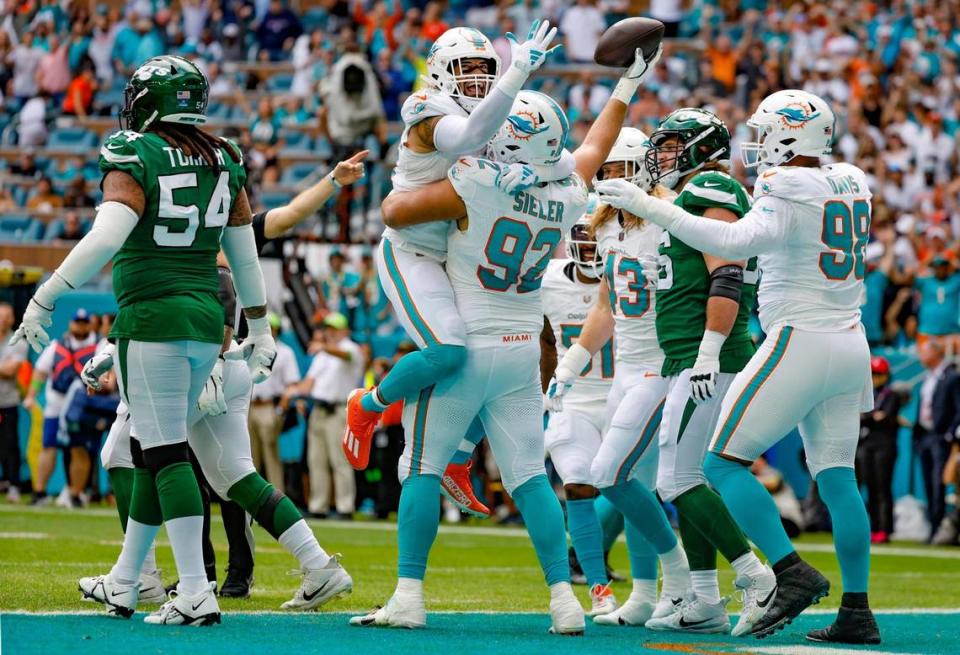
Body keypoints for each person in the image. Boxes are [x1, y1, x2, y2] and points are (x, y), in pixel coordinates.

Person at [354, 42, 656, 631]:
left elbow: (395, 211)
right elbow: (593, 148)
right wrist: (626, 86)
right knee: (529, 482)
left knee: (419, 470)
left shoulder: (477, 181)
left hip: (469, 345)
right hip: (522, 353)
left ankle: (409, 596)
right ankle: (564, 603)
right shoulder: (570, 193)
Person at [597, 89, 881, 644]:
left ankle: (786, 572)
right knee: (839, 478)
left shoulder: (784, 184)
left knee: (720, 464)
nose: (757, 141)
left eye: (766, 129)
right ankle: (857, 610)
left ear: (789, 134)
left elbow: (730, 240)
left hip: (800, 337)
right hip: (851, 340)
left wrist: (648, 203)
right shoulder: (851, 179)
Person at [12, 55, 276, 627]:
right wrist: (261, 320)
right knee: (149, 450)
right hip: (206, 322)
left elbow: (107, 234)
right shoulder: (223, 155)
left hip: (153, 320)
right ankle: (127, 582)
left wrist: (47, 294)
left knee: (162, 455)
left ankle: (194, 591)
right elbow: (243, 252)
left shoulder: (136, 152)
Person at [344, 23, 565, 519]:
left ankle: (459, 459)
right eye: (466, 67)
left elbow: (561, 158)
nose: (477, 77)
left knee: (495, 357)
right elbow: (470, 135)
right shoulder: (426, 109)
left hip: (458, 257)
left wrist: (537, 169)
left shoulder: (497, 108)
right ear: (441, 70)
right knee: (449, 351)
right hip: (413, 251)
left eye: (486, 68)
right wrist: (517, 74)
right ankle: (371, 404)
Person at [81, 268, 351, 612]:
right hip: (225, 360)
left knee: (129, 451)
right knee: (235, 476)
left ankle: (142, 578)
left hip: (191, 362)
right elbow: (229, 278)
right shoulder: (202, 245)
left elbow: (155, 306)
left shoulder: (157, 245)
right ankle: (318, 564)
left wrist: (55, 304)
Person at [598, 108, 772, 637]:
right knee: (686, 475)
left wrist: (708, 351)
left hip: (705, 357)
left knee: (676, 478)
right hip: (684, 356)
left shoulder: (713, 186)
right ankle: (702, 597)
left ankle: (757, 575)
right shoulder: (686, 200)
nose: (662, 155)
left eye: (672, 145)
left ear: (701, 147)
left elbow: (728, 275)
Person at [548, 127, 693, 629]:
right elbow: (607, 303)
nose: (608, 179)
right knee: (638, 484)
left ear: (642, 169)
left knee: (610, 474)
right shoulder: (607, 224)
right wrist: (571, 364)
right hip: (627, 366)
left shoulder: (670, 216)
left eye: (616, 169)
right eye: (603, 171)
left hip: (663, 363)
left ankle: (687, 578)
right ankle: (649, 593)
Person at [539, 213, 620, 616]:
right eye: (584, 239)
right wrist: (543, 390)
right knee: (577, 484)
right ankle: (598, 588)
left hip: (626, 393)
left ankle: (672, 583)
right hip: (574, 398)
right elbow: (544, 339)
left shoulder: (630, 269)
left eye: (597, 240)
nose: (591, 248)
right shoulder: (549, 279)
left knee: (636, 489)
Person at [287, 313, 364, 518]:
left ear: (345, 331)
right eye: (328, 328)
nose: (330, 331)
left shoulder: (351, 349)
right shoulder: (322, 354)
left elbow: (346, 356)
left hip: (339, 410)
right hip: (318, 410)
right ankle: (318, 506)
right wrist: (296, 393)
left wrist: (324, 347)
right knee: (316, 460)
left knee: (339, 461)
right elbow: (309, 382)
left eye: (335, 328)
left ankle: (345, 507)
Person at [23, 309, 98, 508]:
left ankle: (75, 494)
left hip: (81, 406)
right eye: (77, 322)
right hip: (55, 403)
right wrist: (31, 396)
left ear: (89, 324)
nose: (80, 326)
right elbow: (40, 373)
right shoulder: (56, 346)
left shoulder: (99, 347)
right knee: (48, 446)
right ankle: (39, 492)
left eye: (84, 322)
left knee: (78, 448)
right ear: (71, 324)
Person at [914, 338, 960, 543]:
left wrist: (949, 434)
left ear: (936, 353)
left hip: (940, 437)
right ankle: (933, 526)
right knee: (928, 482)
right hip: (925, 436)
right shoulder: (927, 378)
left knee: (937, 483)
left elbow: (958, 408)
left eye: (924, 352)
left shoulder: (951, 377)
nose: (920, 356)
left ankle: (939, 527)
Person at [248, 313, 300, 489]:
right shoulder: (250, 347)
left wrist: (280, 410)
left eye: (272, 326)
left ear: (277, 329)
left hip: (269, 406)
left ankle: (277, 496)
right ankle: (251, 497)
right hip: (249, 406)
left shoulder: (285, 352)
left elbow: (292, 385)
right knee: (249, 456)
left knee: (271, 455)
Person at [857, 356, 901, 544]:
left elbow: (884, 416)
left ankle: (885, 528)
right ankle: (874, 527)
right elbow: (866, 416)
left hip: (884, 445)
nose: (875, 378)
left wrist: (870, 416)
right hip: (868, 444)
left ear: (886, 375)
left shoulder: (892, 394)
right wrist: (873, 416)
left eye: (879, 374)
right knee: (871, 487)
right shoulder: (869, 394)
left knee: (883, 488)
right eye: (873, 374)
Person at [0, 302, 27, 503]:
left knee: (10, 444)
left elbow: (11, 371)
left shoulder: (18, 341)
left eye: (6, 316)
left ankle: (14, 485)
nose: (3, 319)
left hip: (8, 401)